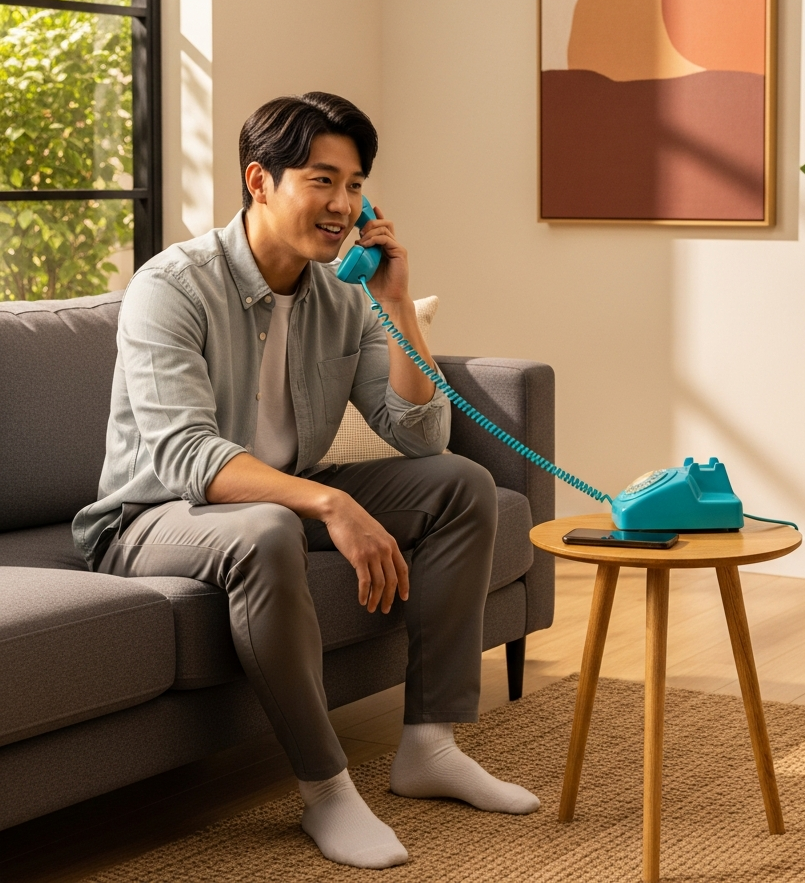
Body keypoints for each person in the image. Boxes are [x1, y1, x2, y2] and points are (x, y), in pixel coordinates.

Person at [73, 92, 539, 869]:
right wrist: (332, 502)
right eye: (322, 180)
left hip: (286, 488)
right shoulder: (172, 287)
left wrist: (395, 306)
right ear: (260, 181)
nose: (343, 205)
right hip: (153, 514)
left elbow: (420, 433)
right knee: (266, 527)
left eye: (355, 186)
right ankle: (327, 791)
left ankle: (429, 744)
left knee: (459, 484)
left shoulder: (344, 295)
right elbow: (187, 456)